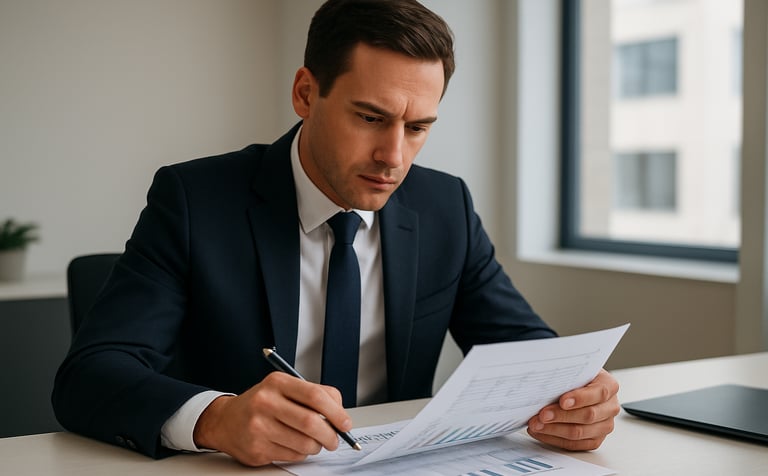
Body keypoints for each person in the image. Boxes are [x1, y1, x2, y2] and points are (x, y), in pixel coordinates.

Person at [52, 0, 620, 468]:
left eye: (418, 127)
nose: (393, 158)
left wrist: (574, 397)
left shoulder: (444, 204)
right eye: (370, 118)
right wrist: (217, 418)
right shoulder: (196, 199)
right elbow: (89, 376)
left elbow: (522, 348)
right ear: (305, 94)